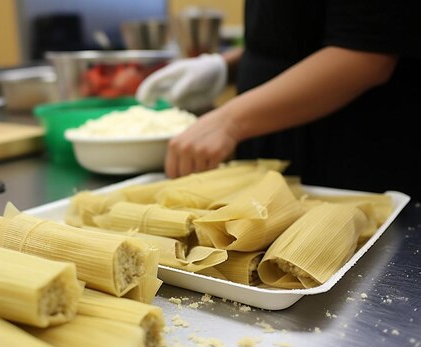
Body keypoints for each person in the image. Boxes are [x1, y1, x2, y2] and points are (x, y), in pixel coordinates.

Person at [137, 0, 420, 202]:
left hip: (349, 161)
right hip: (273, 155)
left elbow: (367, 54)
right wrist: (225, 67)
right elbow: (293, 34)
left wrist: (228, 121)